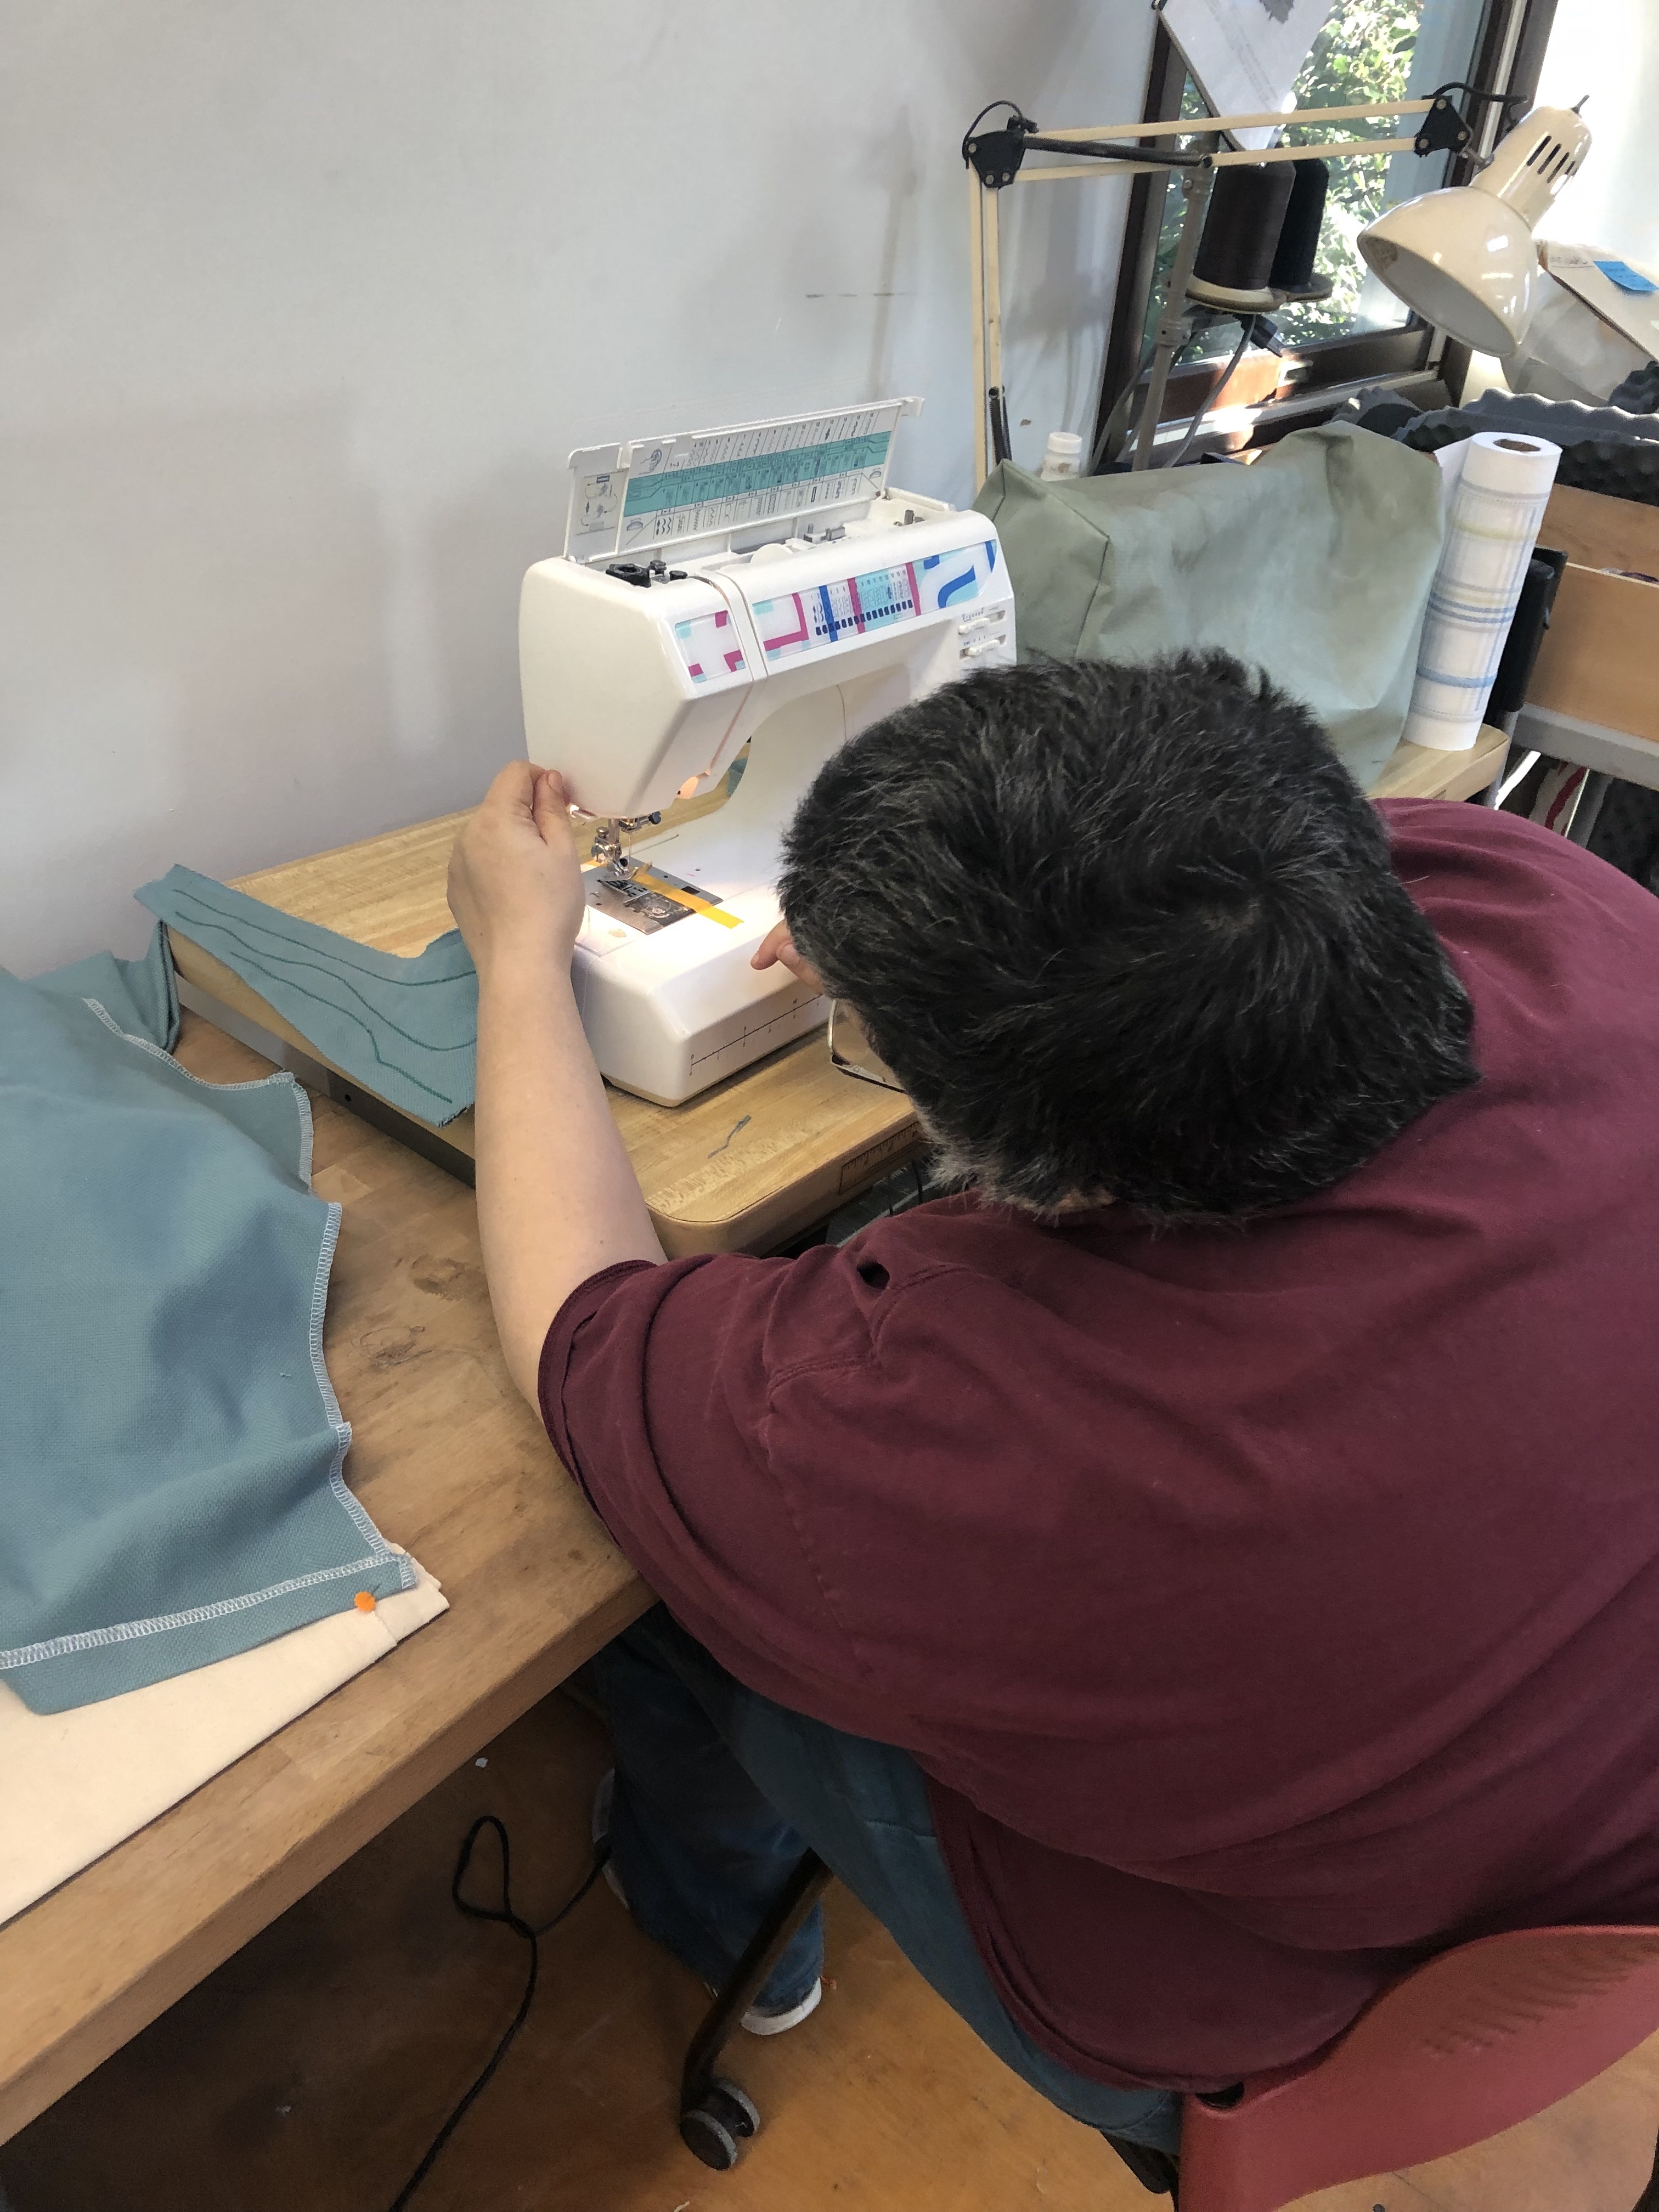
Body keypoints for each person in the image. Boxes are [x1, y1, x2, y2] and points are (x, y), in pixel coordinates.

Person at [445, 650, 1659, 2164]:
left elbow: (584, 1330)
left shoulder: (1005, 1453)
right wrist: (930, 963)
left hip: (1270, 2011)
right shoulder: (1558, 901)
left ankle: (722, 1918)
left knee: (643, 1577)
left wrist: (516, 952)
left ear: (1036, 1164)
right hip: (1585, 1881)